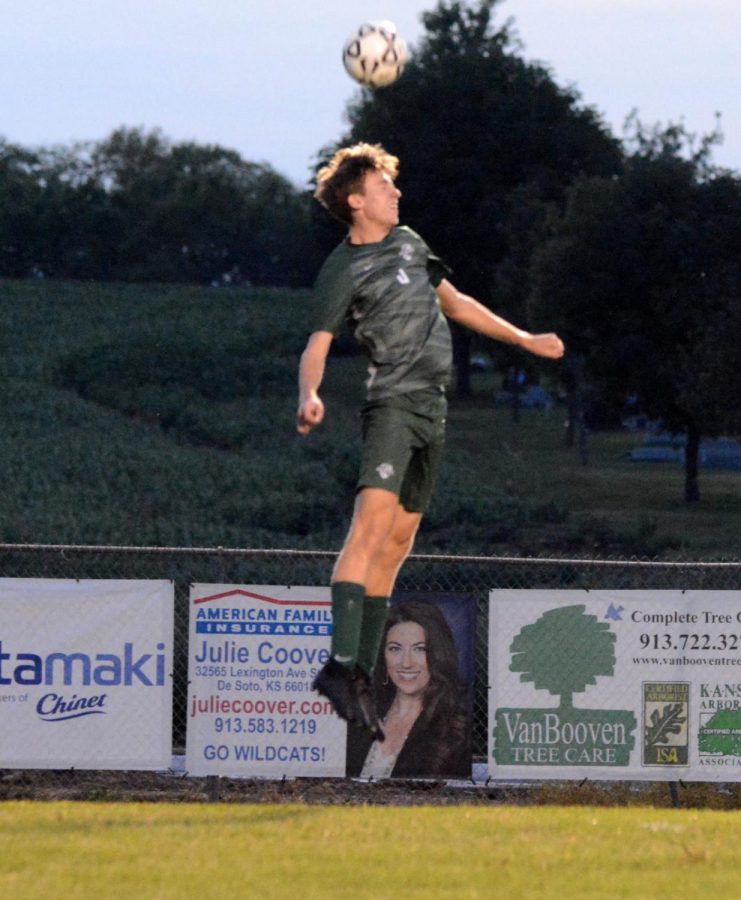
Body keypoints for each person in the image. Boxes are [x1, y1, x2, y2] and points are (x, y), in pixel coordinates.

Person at [297, 143, 564, 738]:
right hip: (391, 405)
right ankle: (341, 666)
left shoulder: (412, 242)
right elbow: (316, 346)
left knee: (395, 546)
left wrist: (523, 339)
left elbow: (456, 302)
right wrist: (309, 395)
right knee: (368, 528)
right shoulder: (342, 269)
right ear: (355, 200)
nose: (396, 193)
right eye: (384, 186)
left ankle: (359, 672)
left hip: (432, 410)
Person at [345, 600, 471, 779]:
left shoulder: (456, 730)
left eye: (420, 649)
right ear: (383, 655)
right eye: (395, 648)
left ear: (437, 655)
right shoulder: (360, 719)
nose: (406, 663)